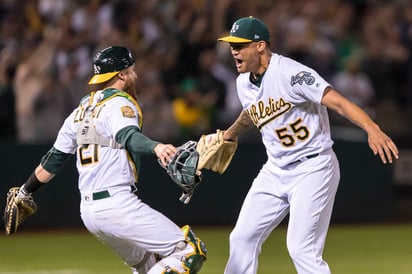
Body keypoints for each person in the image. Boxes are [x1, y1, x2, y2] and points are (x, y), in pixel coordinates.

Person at [216, 17, 399, 274]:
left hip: (313, 167)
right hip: (275, 169)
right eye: (231, 45)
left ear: (260, 46)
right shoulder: (243, 82)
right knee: (241, 238)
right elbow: (252, 112)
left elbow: (338, 102)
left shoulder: (292, 74)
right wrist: (230, 133)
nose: (233, 50)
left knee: (302, 248)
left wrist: (372, 129)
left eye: (240, 44)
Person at [12, 45, 206, 274]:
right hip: (117, 204)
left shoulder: (80, 110)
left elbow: (54, 160)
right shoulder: (120, 103)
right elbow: (129, 137)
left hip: (89, 212)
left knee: (148, 263)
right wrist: (157, 147)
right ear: (121, 74)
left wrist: (25, 191)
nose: (135, 75)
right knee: (191, 250)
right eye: (132, 70)